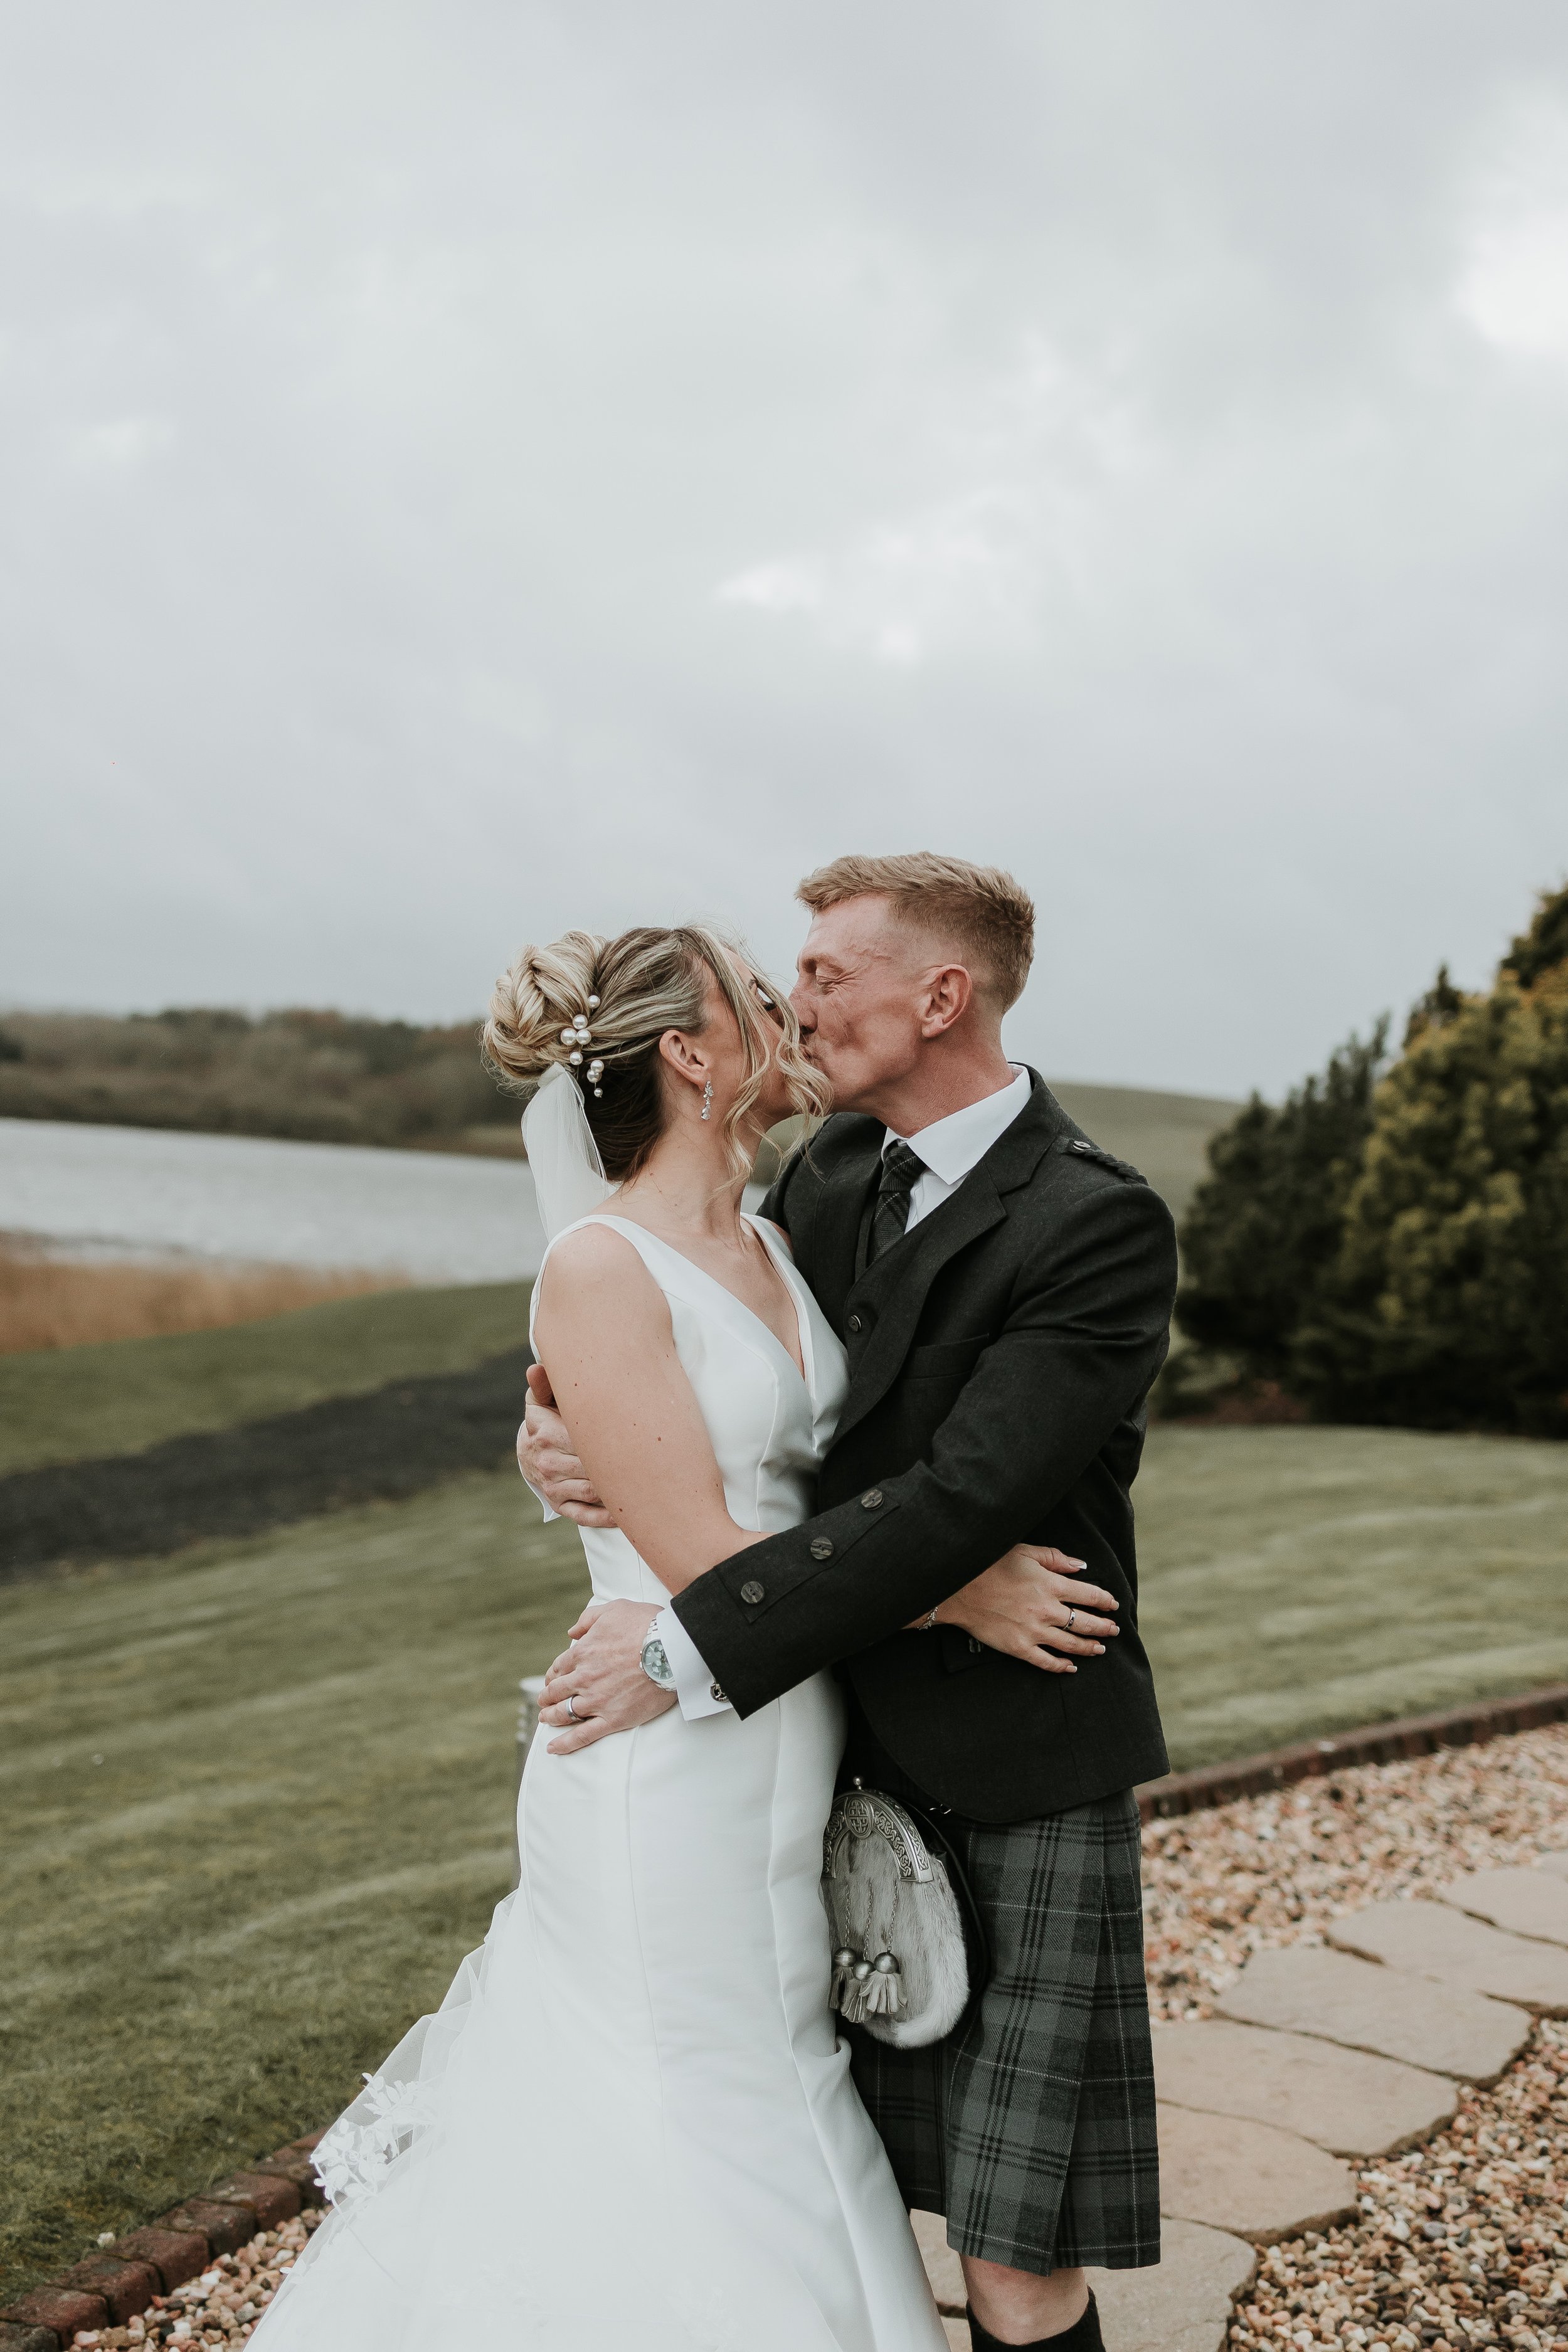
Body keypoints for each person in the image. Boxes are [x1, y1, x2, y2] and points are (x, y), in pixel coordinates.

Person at [255, 916, 1063, 2352]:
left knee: (772, 2064)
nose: (789, 1009)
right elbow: (695, 1552)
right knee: (681, 2089)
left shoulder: (776, 1226)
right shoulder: (597, 1265)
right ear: (693, 1055)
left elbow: (801, 1464)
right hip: (658, 1763)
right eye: (757, 995)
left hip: (779, 1727)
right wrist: (955, 1590)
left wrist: (549, 1430)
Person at [522, 852, 1178, 2352]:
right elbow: (701, 1377)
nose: (793, 997)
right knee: (838, 2187)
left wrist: (693, 1641)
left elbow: (962, 1495)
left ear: (937, 994)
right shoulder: (815, 1182)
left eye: (823, 973)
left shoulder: (1092, 1221)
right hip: (825, 1752)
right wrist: (547, 1428)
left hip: (1017, 1764)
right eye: (782, 977)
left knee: (1014, 2255)